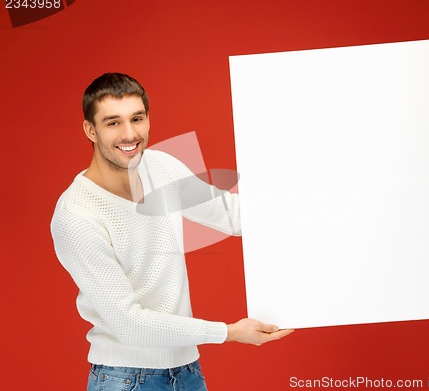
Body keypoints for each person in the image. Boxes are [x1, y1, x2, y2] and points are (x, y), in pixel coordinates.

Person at [50, 72, 293, 391]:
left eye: (137, 118)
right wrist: (229, 332)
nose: (129, 134)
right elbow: (130, 324)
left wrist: (320, 203)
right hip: (124, 378)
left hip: (186, 370)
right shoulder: (76, 214)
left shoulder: (160, 165)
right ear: (90, 130)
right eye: (113, 123)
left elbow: (232, 215)